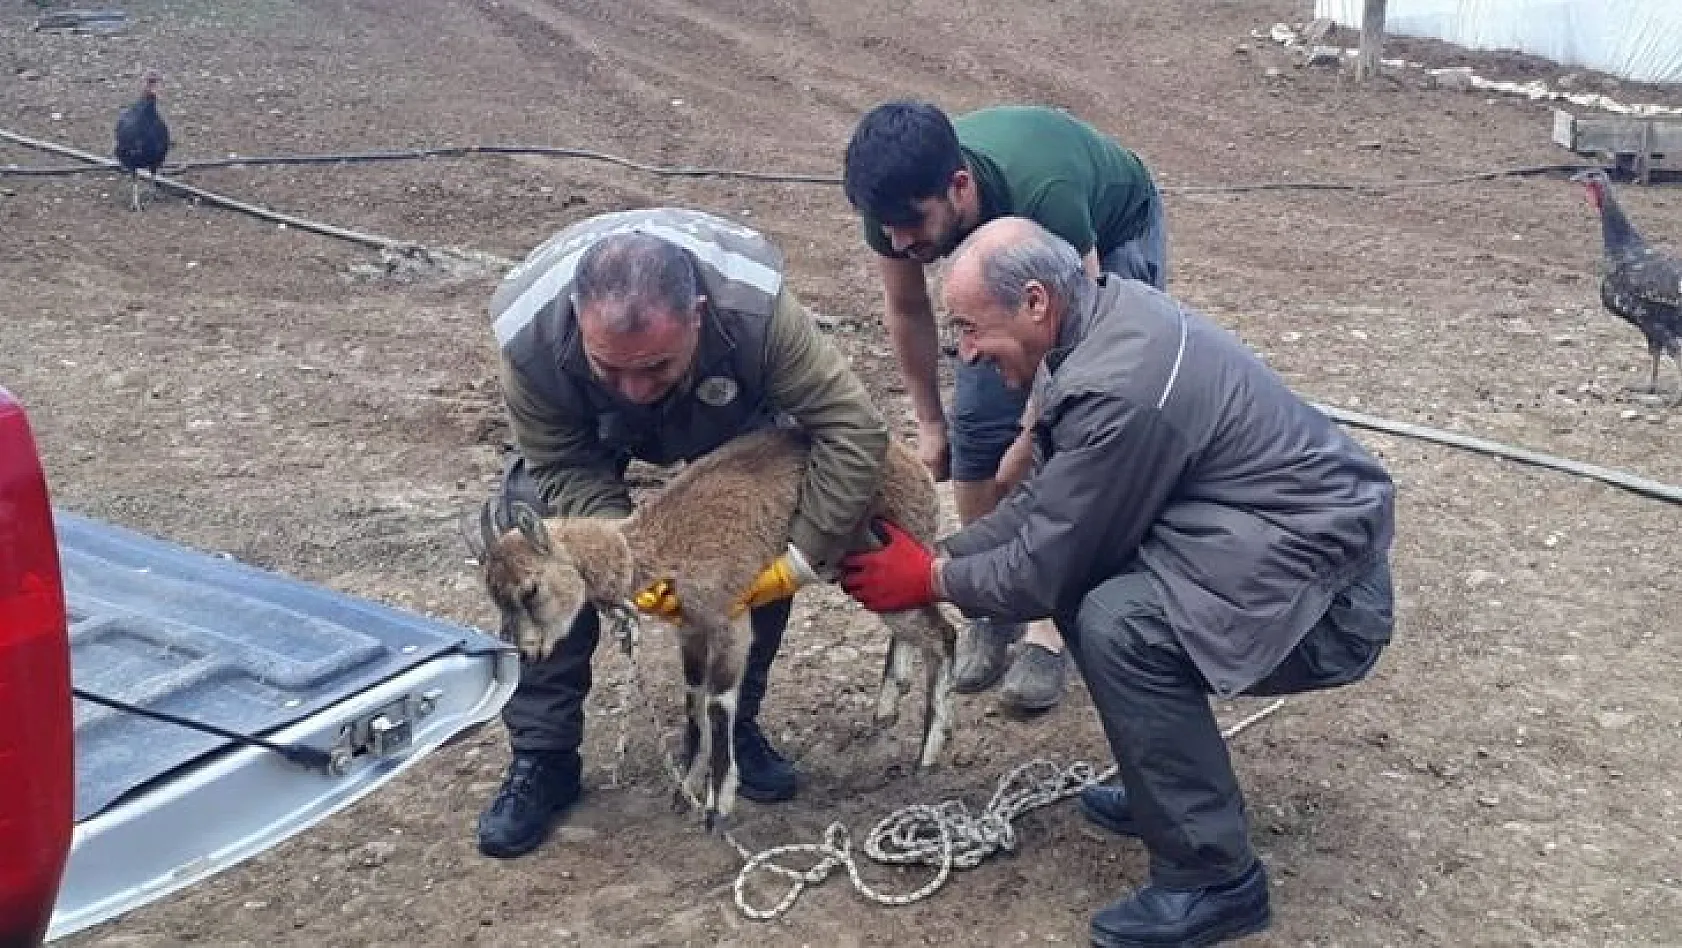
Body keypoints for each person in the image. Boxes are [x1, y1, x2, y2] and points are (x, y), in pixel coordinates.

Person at [838, 217, 1396, 947]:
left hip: (1326, 600)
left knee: (1119, 621)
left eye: (971, 329)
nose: (966, 351)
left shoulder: (1120, 387)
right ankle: (1165, 793)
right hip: (1269, 548)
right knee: (1100, 594)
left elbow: (1048, 561)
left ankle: (1215, 878)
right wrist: (944, 555)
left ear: (1036, 302)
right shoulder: (1105, 318)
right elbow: (1052, 507)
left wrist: (934, 577)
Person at [476, 207, 890, 859]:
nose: (635, 391)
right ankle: (544, 756)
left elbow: (853, 431)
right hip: (588, 440)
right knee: (538, 537)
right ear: (578, 321)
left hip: (728, 410)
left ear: (698, 314)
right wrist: (626, 559)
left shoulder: (757, 315)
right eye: (612, 368)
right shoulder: (529, 336)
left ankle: (733, 722)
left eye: (654, 367)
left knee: (759, 525)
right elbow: (559, 462)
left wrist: (805, 558)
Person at [842, 100, 1169, 714]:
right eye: (888, 230)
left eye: (911, 225)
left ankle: (1049, 621)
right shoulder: (894, 209)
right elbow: (908, 309)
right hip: (1006, 246)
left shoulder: (1048, 191)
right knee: (976, 426)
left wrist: (1032, 434)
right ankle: (993, 602)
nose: (899, 241)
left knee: (1085, 427)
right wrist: (932, 424)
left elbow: (1081, 335)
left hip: (1112, 233)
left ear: (959, 188)